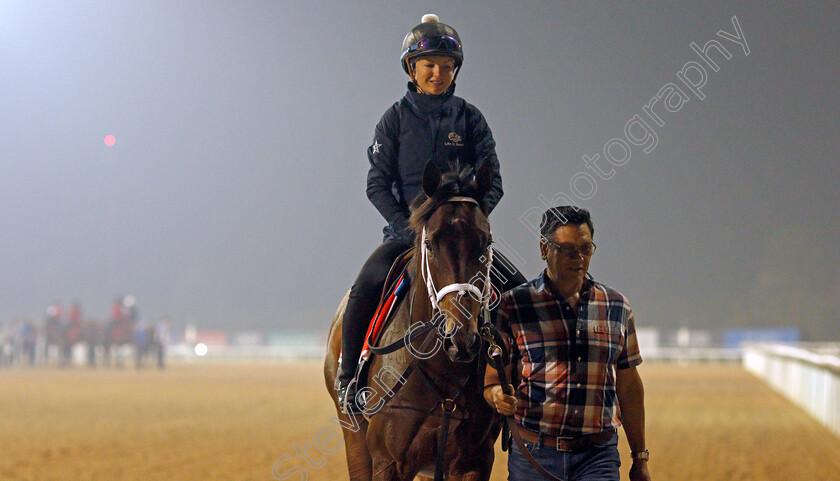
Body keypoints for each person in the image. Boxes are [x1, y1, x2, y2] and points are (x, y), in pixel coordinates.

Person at [337, 14, 526, 413]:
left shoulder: (471, 119)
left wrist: (467, 225)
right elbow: (376, 184)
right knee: (364, 287)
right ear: (412, 68)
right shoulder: (394, 120)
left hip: (461, 239)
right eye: (429, 65)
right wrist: (407, 227)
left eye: (446, 65)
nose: (437, 73)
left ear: (456, 70)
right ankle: (349, 376)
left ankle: (522, 381)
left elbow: (494, 182)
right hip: (406, 236)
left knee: (519, 290)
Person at [484, 206, 652, 481]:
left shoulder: (616, 307)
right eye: (567, 249)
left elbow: (629, 386)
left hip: (598, 456)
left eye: (586, 249)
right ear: (543, 248)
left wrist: (640, 457)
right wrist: (497, 397)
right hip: (533, 455)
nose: (579, 258)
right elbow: (492, 380)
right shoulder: (514, 306)